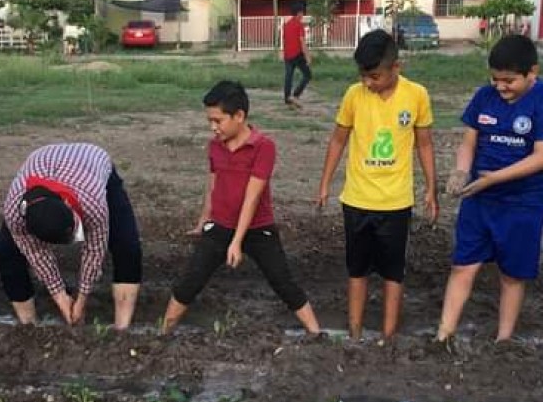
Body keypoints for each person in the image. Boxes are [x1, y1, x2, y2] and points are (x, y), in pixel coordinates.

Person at [162, 80, 321, 335]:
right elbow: (212, 184)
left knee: (283, 282)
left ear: (239, 116)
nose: (213, 128)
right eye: (209, 122)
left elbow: (252, 197)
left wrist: (236, 241)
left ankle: (316, 333)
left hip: (258, 228)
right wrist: (204, 219)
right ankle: (163, 332)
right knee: (191, 279)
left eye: (218, 121)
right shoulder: (215, 146)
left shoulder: (263, 146)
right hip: (221, 224)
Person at [317, 29, 437, 340]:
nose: (368, 83)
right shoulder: (353, 95)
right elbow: (338, 140)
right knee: (357, 270)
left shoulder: (417, 95)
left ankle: (388, 337)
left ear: (396, 67)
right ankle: (355, 333)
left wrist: (431, 188)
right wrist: (325, 183)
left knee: (392, 273)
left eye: (375, 76)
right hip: (357, 200)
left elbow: (424, 145)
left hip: (396, 203)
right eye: (363, 76)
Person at [435, 35, 543, 345]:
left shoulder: (540, 101)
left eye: (509, 81)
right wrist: (460, 170)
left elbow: (540, 156)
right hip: (479, 199)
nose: (501, 87)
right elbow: (470, 141)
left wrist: (494, 178)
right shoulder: (484, 97)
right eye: (495, 79)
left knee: (512, 274)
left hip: (522, 202)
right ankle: (443, 335)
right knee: (463, 265)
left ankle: (503, 341)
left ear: (531, 72)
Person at [0, 143, 141, 330]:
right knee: (5, 251)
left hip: (91, 161)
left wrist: (81, 299)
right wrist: (61, 297)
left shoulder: (93, 201)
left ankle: (122, 329)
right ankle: (28, 327)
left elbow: (94, 251)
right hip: (43, 161)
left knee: (127, 244)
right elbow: (36, 253)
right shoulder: (14, 213)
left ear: (68, 205)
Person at [282, 3, 312, 109]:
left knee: (288, 76)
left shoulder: (286, 25)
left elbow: (285, 40)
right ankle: (295, 95)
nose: (303, 15)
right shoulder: (299, 25)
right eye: (302, 12)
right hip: (297, 54)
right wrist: (307, 56)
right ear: (299, 13)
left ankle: (287, 99)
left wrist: (283, 53)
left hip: (287, 55)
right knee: (308, 75)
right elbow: (302, 42)